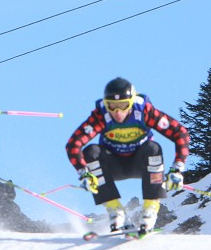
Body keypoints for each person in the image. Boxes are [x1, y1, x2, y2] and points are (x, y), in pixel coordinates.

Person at [66, 77, 190, 235]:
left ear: (131, 101)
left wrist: (178, 168)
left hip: (140, 163)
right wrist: (83, 173)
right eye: (112, 106)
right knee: (91, 152)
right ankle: (115, 210)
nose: (118, 112)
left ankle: (150, 210)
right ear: (106, 103)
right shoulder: (101, 115)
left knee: (153, 148)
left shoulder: (143, 111)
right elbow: (74, 143)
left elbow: (180, 132)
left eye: (123, 105)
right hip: (113, 166)